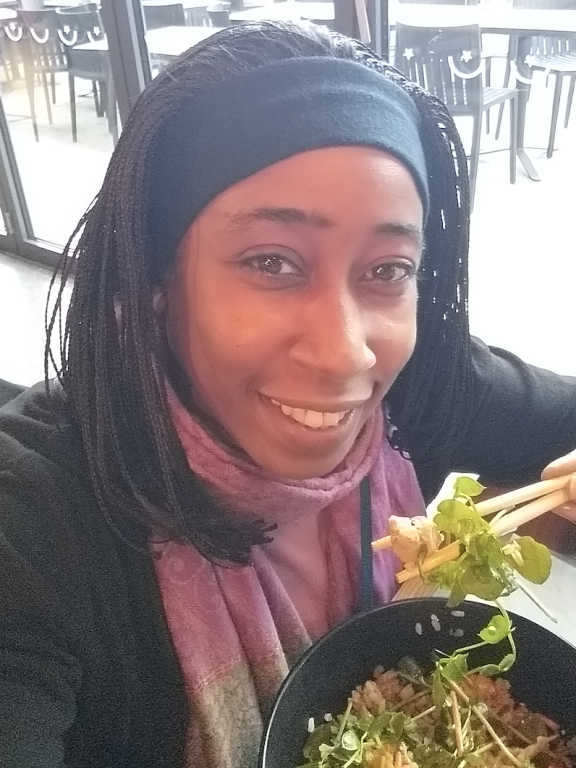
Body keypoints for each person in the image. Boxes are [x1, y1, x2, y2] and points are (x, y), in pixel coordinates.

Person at [0, 20, 575, 768]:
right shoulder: (34, 525)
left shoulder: (417, 391)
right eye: (271, 261)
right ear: (155, 280)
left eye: (388, 270)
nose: (346, 352)